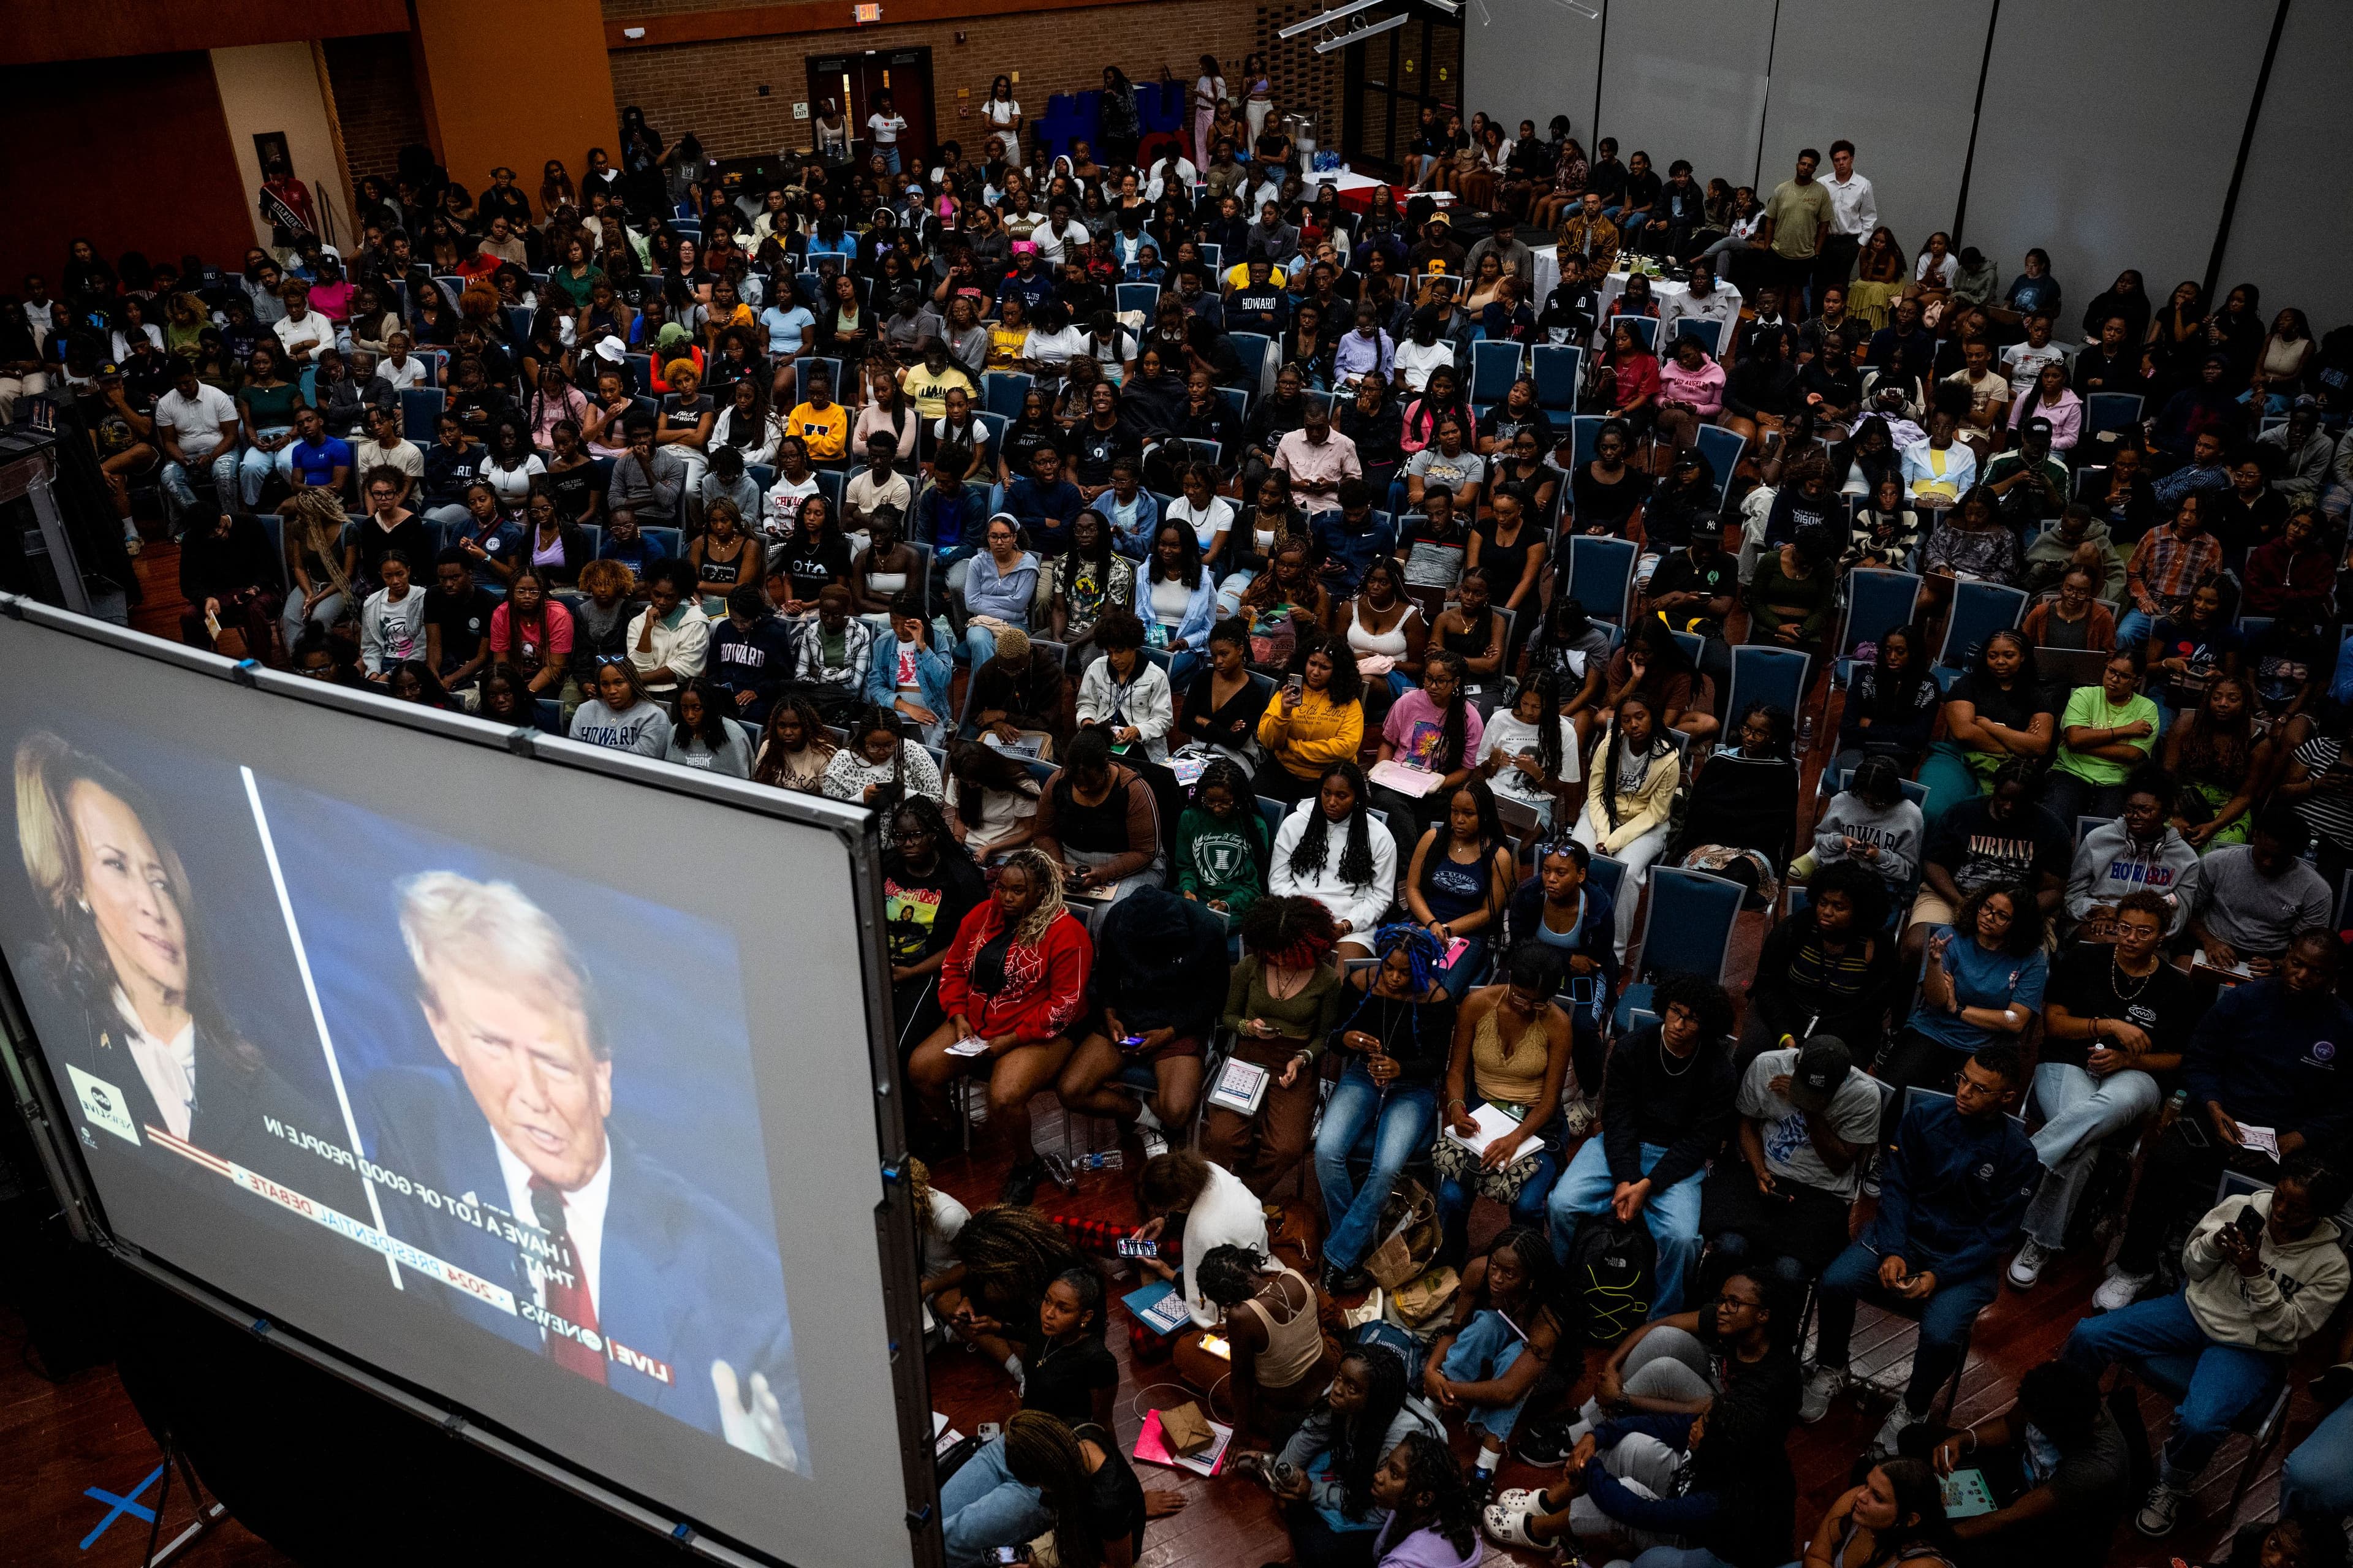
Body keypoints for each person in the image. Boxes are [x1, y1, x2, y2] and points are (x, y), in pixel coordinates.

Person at [359, 871, 803, 1468]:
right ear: (443, 1032)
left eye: (554, 1062)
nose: (530, 1095)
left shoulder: (748, 1296)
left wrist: (773, 1478)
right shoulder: (408, 1129)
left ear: (603, 1076)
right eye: (492, 1045)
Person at [10, 732, 359, 1205]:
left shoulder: (294, 1119)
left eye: (159, 879)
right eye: (116, 865)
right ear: (76, 889)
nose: (152, 904)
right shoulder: (42, 1000)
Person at [2067, 1154, 2351, 1539]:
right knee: (2088, 1335)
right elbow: (2193, 1267)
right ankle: (2071, 1421)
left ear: (2323, 1213)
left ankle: (2172, 1485)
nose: (2280, 1212)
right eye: (2280, 1197)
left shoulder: (2331, 1268)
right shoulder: (2243, 1206)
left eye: (2297, 1209)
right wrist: (2213, 1246)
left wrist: (2254, 1273)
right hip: (2192, 1311)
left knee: (2201, 1423)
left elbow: (2287, 1331)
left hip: (2253, 1347)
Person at [2095, 925, 2353, 1311]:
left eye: (2316, 971)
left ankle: (2247, 1286)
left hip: (2291, 1137)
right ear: (2286, 959)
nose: (2302, 976)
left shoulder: (2345, 1026)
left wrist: (2288, 1143)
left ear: (2334, 977)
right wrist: (2214, 1108)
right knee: (2166, 1159)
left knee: (2308, 1193)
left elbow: (2346, 1108)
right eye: (2297, 964)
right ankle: (2135, 1267)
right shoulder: (2246, 1000)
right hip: (2221, 1116)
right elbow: (2200, 1059)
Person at [1802, 1045, 2037, 1453]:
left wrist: (1940, 1275)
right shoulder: (1923, 1119)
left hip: (1963, 1261)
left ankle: (1914, 1408)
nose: (1963, 1092)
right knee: (1837, 1280)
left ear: (2006, 1098)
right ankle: (1832, 1363)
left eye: (1980, 1088)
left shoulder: (2019, 1156)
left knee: (1943, 1332)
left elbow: (1996, 1236)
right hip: (1902, 1238)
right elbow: (1896, 1189)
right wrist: (1893, 1250)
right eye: (1963, 1079)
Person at [2007, 889, 2193, 1292]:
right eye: (2125, 927)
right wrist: (2109, 1026)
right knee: (2083, 1147)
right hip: (2067, 1062)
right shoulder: (2084, 959)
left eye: (2144, 932)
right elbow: (2054, 1025)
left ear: (2163, 936)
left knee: (2116, 1101)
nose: (2130, 937)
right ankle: (2040, 1242)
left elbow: (2177, 1058)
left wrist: (2127, 1060)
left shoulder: (2177, 988)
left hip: (2135, 1076)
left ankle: (2022, 1158)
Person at [907, 849, 1091, 1200]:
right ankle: (954, 1129)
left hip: (1039, 1031)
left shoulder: (1066, 932)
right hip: (977, 1020)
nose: (1005, 897)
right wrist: (958, 1015)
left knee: (1004, 1098)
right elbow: (954, 967)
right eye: (1002, 888)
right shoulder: (981, 915)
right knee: (921, 1069)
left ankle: (1027, 1164)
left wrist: (1009, 1040)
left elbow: (1064, 1007)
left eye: (1018, 891)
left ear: (1041, 891)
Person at [1548, 972, 1735, 1316]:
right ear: (1664, 1008)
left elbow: (1699, 1142)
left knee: (1681, 1240)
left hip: (1676, 1160)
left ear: (1707, 1024)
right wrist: (1626, 1178)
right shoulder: (1633, 1048)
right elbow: (1618, 1119)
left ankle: (1659, 1320)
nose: (1679, 1024)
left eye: (1692, 1018)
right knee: (1562, 1204)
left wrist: (1646, 1186)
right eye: (1676, 1011)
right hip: (1621, 1146)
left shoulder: (1718, 1069)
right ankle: (1562, 1292)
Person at [1481, 1392, 1794, 1567]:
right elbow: (1657, 1423)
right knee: (1629, 1443)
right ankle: (1549, 1503)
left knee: (1619, 1497)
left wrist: (1590, 1470)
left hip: (1699, 1546)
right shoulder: (1733, 1443)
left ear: (1723, 1446)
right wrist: (1595, 1436)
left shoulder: (1726, 1499)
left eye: (1703, 1425)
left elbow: (1641, 1513)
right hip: (1685, 1502)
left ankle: (1536, 1532)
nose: (1694, 1425)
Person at [1314, 925, 1455, 1291]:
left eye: (1405, 972)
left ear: (1422, 969)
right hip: (1363, 1074)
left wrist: (1402, 1068)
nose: (1393, 977)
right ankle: (1354, 1247)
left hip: (1412, 1087)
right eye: (1389, 968)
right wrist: (1346, 1039)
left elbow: (1438, 1063)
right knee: (1327, 1151)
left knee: (1387, 1166)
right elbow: (1333, 1039)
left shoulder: (1437, 1000)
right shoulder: (1361, 983)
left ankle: (1338, 1255)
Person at [1708, 1026, 1884, 1300]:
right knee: (1730, 1247)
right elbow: (1747, 1125)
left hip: (1822, 1192)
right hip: (1765, 1175)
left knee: (1789, 1271)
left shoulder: (1864, 1095)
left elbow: (1839, 1164)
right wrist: (1758, 1169)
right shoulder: (1767, 1064)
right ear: (1796, 1062)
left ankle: (1778, 1337)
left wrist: (1810, 1108)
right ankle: (1709, 1315)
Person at [1055, 885, 1225, 1149]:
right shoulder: (1118, 918)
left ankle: (1140, 1098)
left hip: (1181, 1020)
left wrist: (1171, 1032)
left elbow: (1213, 999)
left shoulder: (1206, 929)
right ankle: (1141, 1112)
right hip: (1128, 1017)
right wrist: (1110, 1014)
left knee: (1178, 1112)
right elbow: (1106, 976)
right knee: (1070, 1090)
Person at [1436, 944, 1578, 1256]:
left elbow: (1550, 1101)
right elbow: (1456, 1071)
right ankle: (1451, 1258)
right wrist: (1457, 1107)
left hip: (1536, 1123)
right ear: (1510, 979)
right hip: (1482, 1114)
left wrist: (1516, 1137)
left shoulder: (1558, 1025)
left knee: (1528, 1205)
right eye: (1521, 996)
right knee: (1451, 1199)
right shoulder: (1476, 1005)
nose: (1528, 1007)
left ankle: (1526, 1260)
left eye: (1539, 1003)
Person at [1244, 1344, 1442, 1568]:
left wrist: (1312, 1491)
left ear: (1374, 1399)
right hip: (1357, 1462)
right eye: (1339, 1377)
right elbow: (1313, 1430)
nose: (1338, 1389)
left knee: (1315, 1550)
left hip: (1389, 1504)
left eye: (1352, 1388)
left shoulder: (1401, 1440)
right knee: (1285, 1427)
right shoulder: (1345, 1385)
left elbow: (1382, 1510)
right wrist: (1283, 1476)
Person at [1881, 882, 2045, 1146]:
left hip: (1986, 1045)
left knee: (1963, 1108)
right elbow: (1936, 1001)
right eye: (1986, 908)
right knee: (1891, 1089)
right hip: (1932, 1029)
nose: (1989, 917)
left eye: (2001, 915)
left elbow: (2016, 1021)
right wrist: (1935, 963)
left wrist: (1958, 1009)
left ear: (2019, 924)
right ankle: (1886, 1150)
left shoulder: (2032, 960)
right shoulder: (1951, 938)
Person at [1927, 1360, 2132, 1568]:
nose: (2028, 1420)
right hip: (2019, 1476)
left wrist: (1934, 1538)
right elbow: (2008, 1425)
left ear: (2058, 1428)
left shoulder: (2094, 1468)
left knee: (1970, 1554)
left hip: (2054, 1530)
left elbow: (2011, 1517)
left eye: (2035, 1421)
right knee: (1918, 1437)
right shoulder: (2046, 1394)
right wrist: (1962, 1441)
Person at [938, 1409, 1146, 1568]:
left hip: (1085, 1552)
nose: (1039, 1492)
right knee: (988, 1553)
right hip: (1066, 1533)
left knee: (952, 1546)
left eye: (1037, 1485)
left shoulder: (1109, 1503)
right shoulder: (1075, 1434)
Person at [1175, 1243, 1339, 1441]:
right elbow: (1319, 1328)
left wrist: (1240, 1435)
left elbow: (1241, 1380)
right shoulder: (1293, 1275)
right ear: (1252, 1265)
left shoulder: (1241, 1316)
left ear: (1225, 1302)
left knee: (1185, 1349)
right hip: (1331, 1372)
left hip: (1287, 1407)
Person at [1571, 692, 1681, 958]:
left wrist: (1613, 842)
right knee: (1576, 858)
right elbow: (1595, 794)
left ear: (1652, 717)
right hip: (1603, 813)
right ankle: (1573, 935)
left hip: (1647, 824)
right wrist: (1603, 833)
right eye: (1626, 719)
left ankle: (1615, 953)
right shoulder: (1609, 745)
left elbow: (1655, 813)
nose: (1634, 724)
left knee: (1629, 872)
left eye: (1640, 717)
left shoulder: (1669, 758)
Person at [1914, 631, 2058, 829]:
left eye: (2009, 656)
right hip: (1957, 757)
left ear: (2023, 657)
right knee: (1933, 809)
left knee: (1987, 819)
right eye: (1993, 656)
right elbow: (1964, 732)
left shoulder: (2037, 695)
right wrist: (2018, 742)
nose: (2000, 661)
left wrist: (1988, 726)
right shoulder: (1967, 684)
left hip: (2010, 767)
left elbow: (2040, 745)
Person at [2185, 807, 2332, 974]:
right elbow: (2190, 913)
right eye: (2263, 853)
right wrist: (2209, 941)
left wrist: (2279, 964)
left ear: (2295, 853)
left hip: (2272, 956)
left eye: (2279, 858)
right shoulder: (2217, 863)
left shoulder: (2316, 890)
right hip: (2212, 940)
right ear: (2255, 836)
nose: (2268, 863)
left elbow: (2310, 946)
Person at [1033, 727, 1162, 906]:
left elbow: (1146, 852)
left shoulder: (1134, 790)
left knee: (1109, 913)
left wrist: (1103, 873)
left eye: (1092, 782)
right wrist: (1059, 864)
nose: (1084, 789)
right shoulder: (1057, 782)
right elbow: (1043, 834)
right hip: (1069, 860)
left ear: (1106, 766)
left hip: (1129, 865)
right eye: (1077, 784)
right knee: (1036, 896)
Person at [2064, 773, 2201, 937]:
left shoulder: (2186, 859)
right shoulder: (2098, 839)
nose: (2135, 816)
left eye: (2145, 810)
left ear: (2165, 814)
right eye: (2130, 810)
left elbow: (2177, 922)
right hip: (2095, 923)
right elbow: (2072, 897)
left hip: (2148, 935)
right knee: (2106, 946)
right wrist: (2097, 913)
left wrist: (2122, 919)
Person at [2041, 648, 2162, 824]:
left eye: (2124, 676)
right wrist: (2125, 730)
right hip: (2071, 771)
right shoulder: (2084, 695)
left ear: (2137, 681)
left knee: (2105, 834)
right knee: (2054, 821)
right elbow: (2075, 739)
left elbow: (2133, 755)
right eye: (2111, 671)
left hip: (2116, 781)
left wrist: (2083, 744)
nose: (2114, 679)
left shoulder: (2147, 708)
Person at [1257, 640, 1368, 804]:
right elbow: (1268, 741)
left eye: (1324, 668)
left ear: (1336, 671)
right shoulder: (1287, 693)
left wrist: (1294, 747)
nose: (1315, 672)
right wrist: (1284, 713)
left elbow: (1345, 748)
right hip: (1283, 770)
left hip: (1328, 780)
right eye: (1312, 664)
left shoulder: (1350, 702)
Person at [1798, 1458, 1957, 1568]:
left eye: (1878, 1497)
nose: (1861, 1496)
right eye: (1867, 1485)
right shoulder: (1857, 1502)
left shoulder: (1921, 1565)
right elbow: (1816, 1556)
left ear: (1910, 1519)